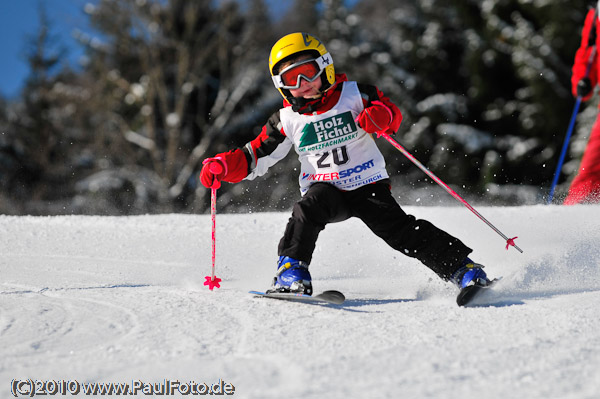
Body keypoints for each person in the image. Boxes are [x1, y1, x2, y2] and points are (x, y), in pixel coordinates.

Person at [200, 32, 492, 296]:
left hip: (367, 184)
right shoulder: (287, 119)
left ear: (325, 67)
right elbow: (256, 155)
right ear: (282, 87)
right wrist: (224, 166)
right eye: (292, 80)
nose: (303, 85)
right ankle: (291, 271)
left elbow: (390, 113)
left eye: (307, 73)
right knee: (306, 210)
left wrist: (380, 116)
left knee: (399, 230)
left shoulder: (355, 95)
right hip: (325, 189)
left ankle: (462, 269)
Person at [565, 4, 600, 205]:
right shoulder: (597, 12)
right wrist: (583, 79)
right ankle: (566, 224)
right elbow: (589, 49)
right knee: (591, 174)